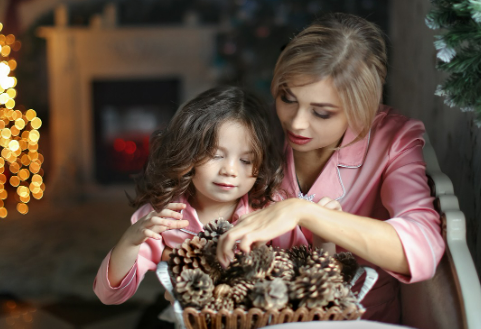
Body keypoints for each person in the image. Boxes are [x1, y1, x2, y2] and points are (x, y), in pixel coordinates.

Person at [216, 13, 445, 324]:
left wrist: (306, 213)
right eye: (288, 98)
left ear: (361, 109)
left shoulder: (393, 139)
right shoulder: (255, 129)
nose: (296, 123)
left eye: (321, 113)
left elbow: (423, 248)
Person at [93, 86, 307, 305]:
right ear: (189, 151)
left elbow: (307, 276)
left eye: (246, 160)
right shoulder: (163, 217)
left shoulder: (271, 209)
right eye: (216, 155)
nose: (230, 170)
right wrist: (129, 241)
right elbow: (109, 295)